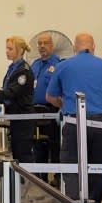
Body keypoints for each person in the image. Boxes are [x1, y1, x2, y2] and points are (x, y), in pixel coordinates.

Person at [47, 32, 102, 203]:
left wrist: (64, 105)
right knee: (98, 171)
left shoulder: (64, 66)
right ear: (93, 47)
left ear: (75, 47)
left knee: (73, 169)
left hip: (74, 124)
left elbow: (50, 97)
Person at [0, 36, 35, 163]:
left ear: (19, 51)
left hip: (23, 117)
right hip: (15, 115)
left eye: (10, 49)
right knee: (16, 151)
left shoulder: (23, 71)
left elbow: (11, 93)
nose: (6, 51)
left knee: (23, 152)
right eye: (6, 48)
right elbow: (6, 90)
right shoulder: (12, 68)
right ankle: (20, 181)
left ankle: (28, 181)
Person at [30, 33, 63, 182]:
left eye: (45, 43)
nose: (42, 46)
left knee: (54, 145)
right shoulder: (35, 65)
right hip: (35, 111)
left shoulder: (58, 65)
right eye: (40, 43)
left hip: (52, 110)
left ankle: (57, 176)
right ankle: (40, 176)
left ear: (52, 46)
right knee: (37, 144)